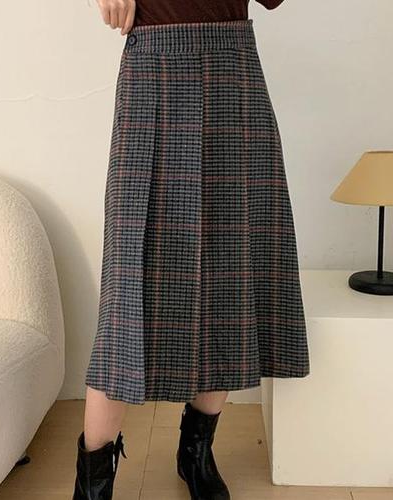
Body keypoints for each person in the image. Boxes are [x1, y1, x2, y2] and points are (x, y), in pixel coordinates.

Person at [72, 1, 310, 499]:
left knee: (230, 271)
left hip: (233, 68)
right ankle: (92, 483)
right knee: (127, 296)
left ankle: (195, 451)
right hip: (153, 68)